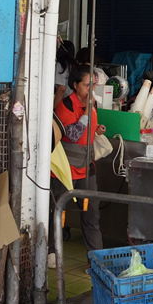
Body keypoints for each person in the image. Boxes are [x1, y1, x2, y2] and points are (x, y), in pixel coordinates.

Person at [54, 64, 107, 255]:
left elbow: (88, 130)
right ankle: (52, 255)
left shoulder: (92, 104)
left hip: (87, 167)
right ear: (75, 85)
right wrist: (86, 112)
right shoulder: (66, 105)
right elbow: (74, 135)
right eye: (87, 85)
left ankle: (96, 260)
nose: (90, 90)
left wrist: (98, 129)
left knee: (91, 216)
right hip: (63, 169)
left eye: (93, 85)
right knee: (57, 213)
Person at [54, 40, 76, 108]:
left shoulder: (61, 65)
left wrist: (55, 107)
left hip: (66, 102)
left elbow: (61, 88)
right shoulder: (74, 65)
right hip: (75, 100)